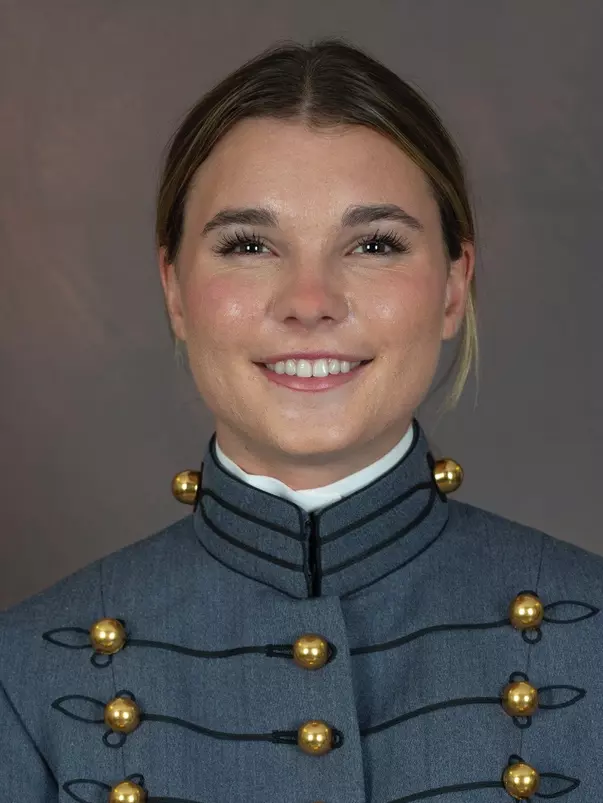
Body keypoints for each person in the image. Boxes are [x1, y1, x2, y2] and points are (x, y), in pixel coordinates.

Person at [1, 38, 601, 803]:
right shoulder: (20, 680)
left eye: (374, 244)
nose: (309, 300)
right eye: (249, 245)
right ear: (175, 289)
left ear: (454, 287)